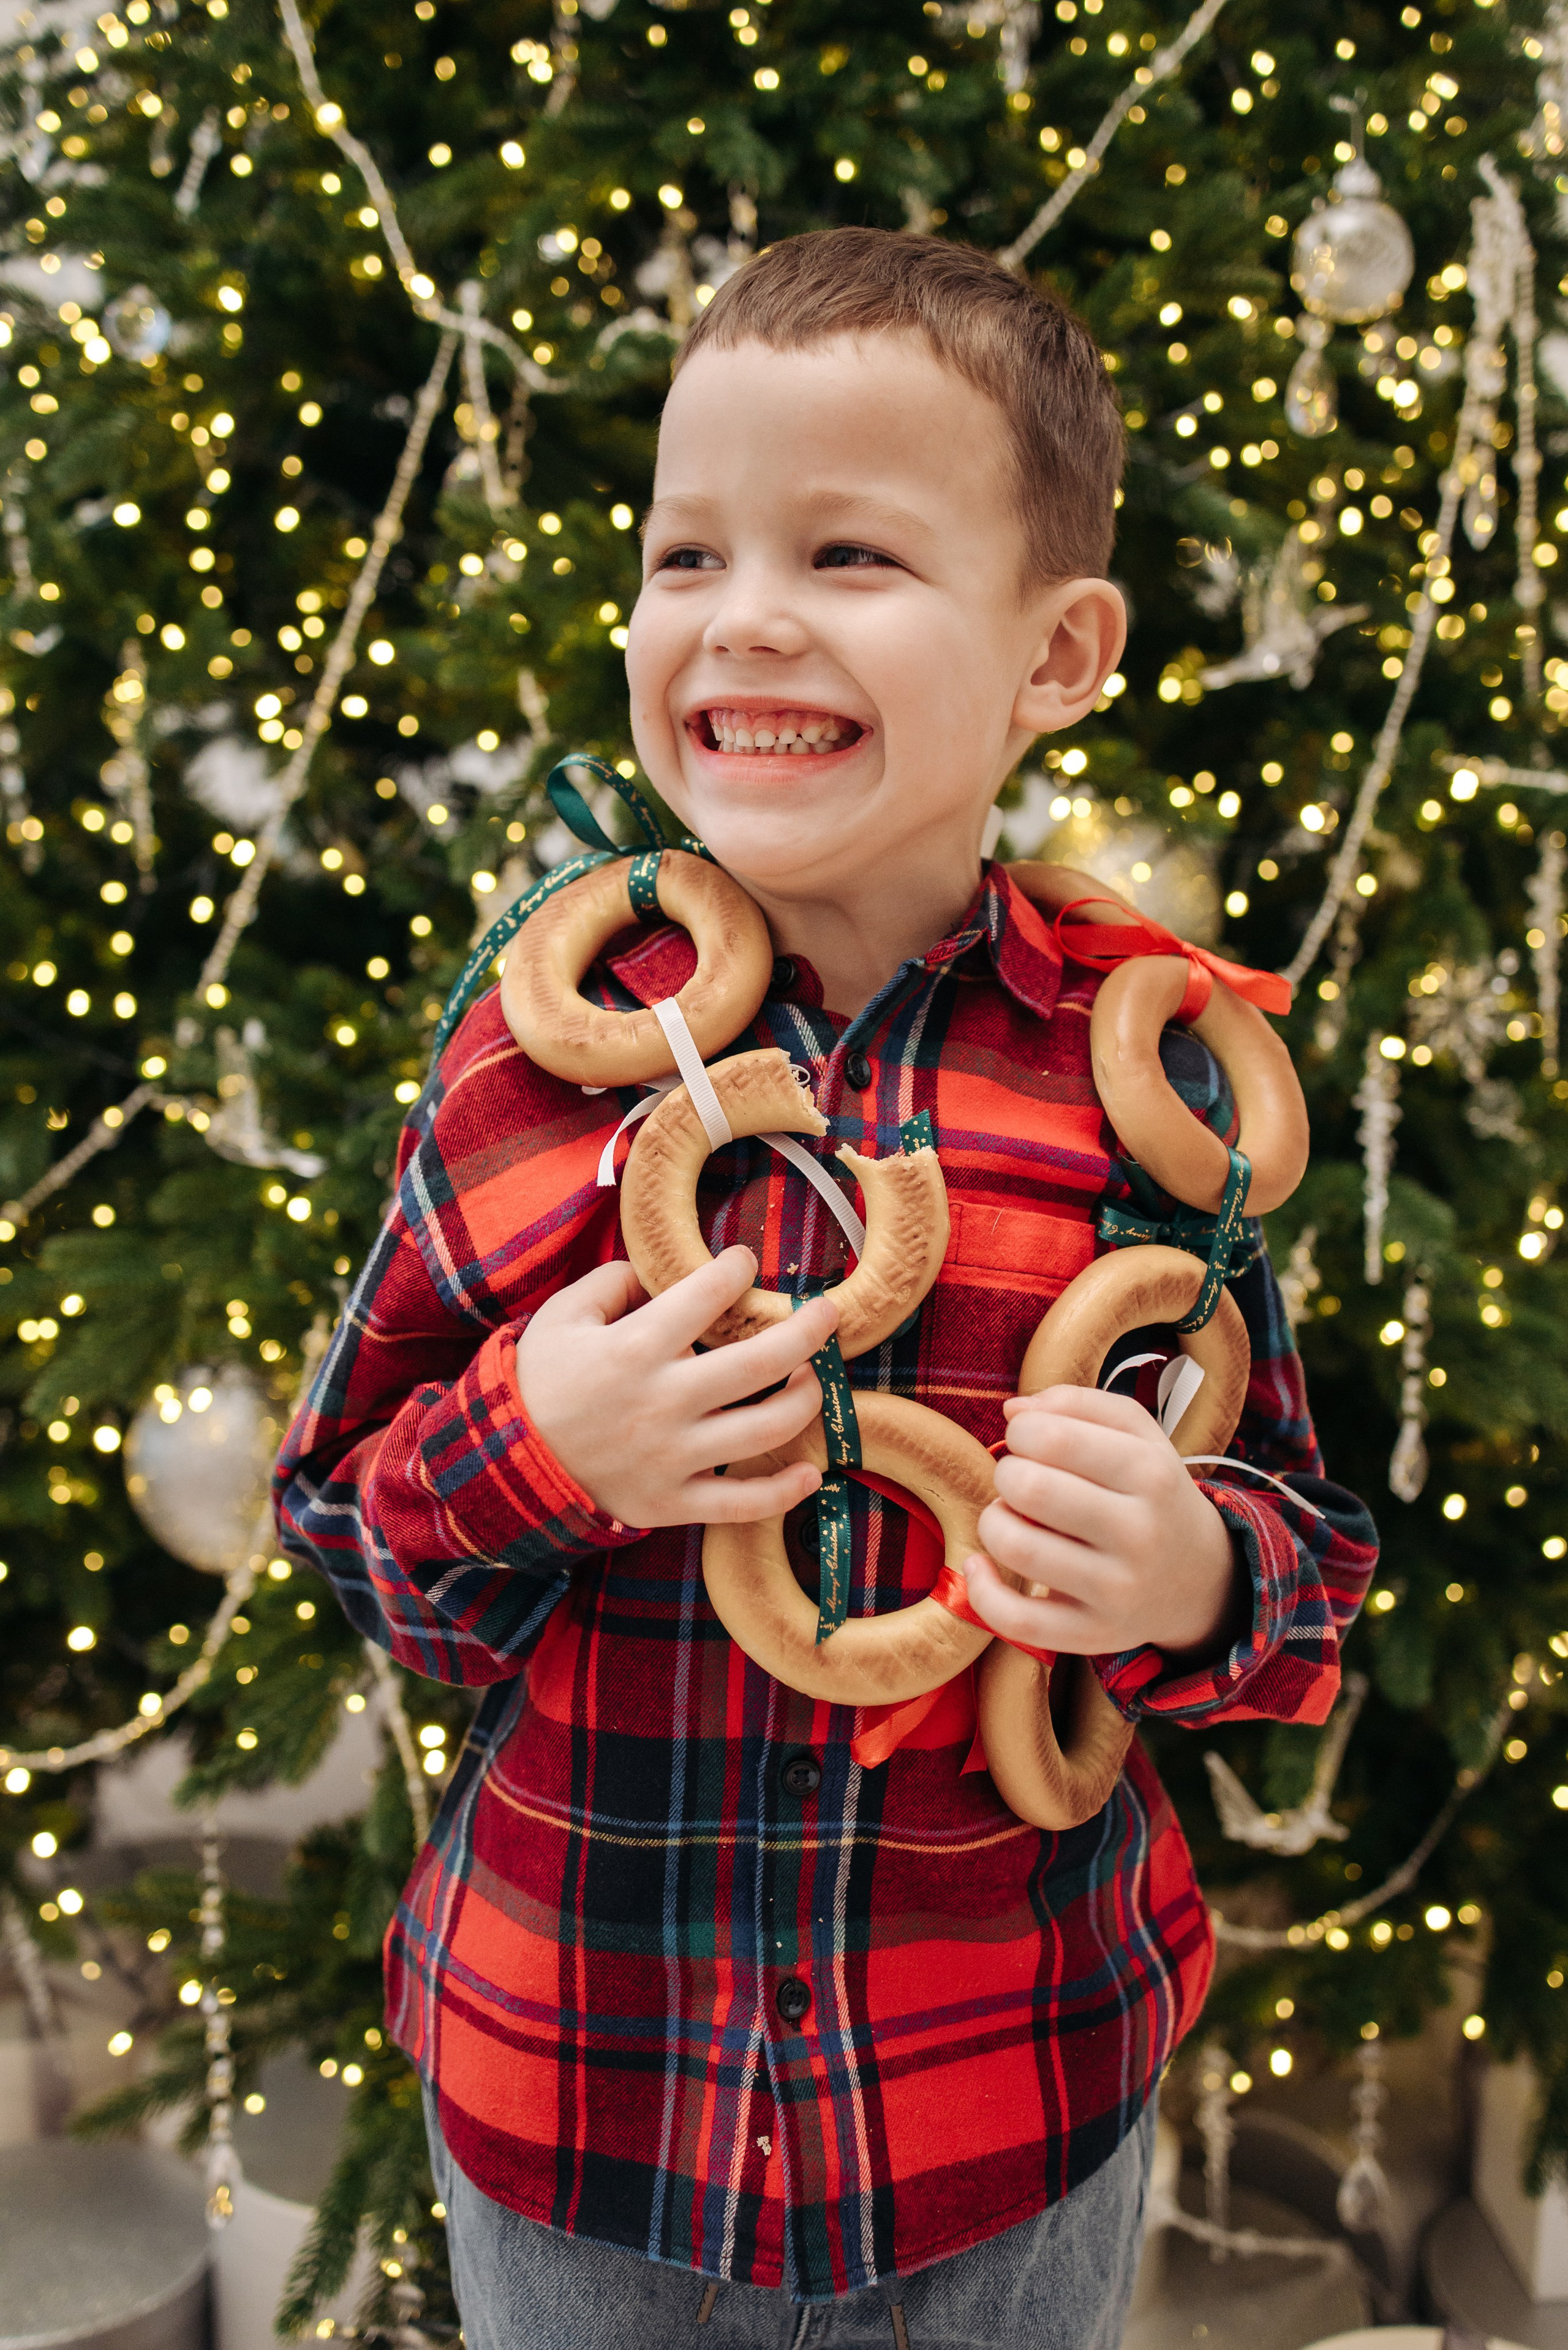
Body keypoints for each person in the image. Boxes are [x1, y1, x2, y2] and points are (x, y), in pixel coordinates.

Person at [275, 227, 1378, 2350]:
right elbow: (355, 1539)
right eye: (686, 554)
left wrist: (1188, 1573)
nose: (745, 615)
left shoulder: (1151, 1093)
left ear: (1059, 654)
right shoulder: (531, 1074)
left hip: (1005, 2105)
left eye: (849, 554)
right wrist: (536, 1452)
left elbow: (1305, 1569)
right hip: (581, 2107)